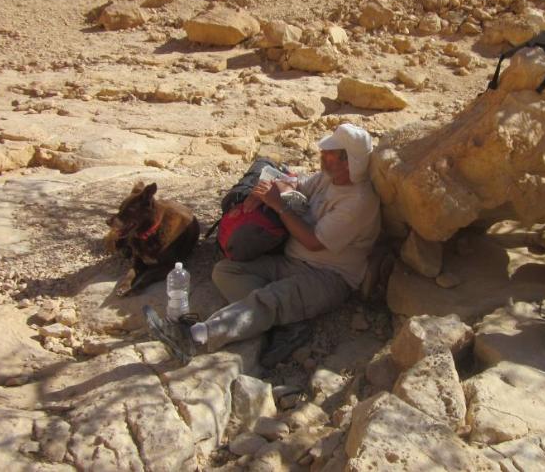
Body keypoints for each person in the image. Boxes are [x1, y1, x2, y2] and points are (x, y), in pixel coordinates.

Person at [144, 123, 381, 365]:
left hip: (329, 276)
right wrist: (264, 191)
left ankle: (195, 338)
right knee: (226, 271)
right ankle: (288, 325)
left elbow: (313, 242)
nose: (322, 155)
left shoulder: (358, 201)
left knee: (268, 299)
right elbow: (296, 185)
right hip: (293, 261)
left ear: (347, 161)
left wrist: (279, 205)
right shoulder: (328, 178)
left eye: (329, 152)